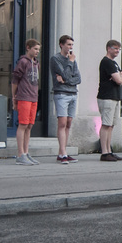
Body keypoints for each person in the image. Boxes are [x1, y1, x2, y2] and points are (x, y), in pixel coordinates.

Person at [50, 35, 81, 164]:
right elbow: (66, 74)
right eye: (68, 44)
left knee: (68, 123)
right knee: (62, 123)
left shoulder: (72, 60)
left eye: (72, 45)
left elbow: (78, 78)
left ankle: (62, 152)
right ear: (61, 45)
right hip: (61, 94)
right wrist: (71, 63)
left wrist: (66, 80)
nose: (70, 47)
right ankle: (63, 153)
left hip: (73, 93)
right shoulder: (56, 59)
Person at [97, 40, 122, 161]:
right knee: (106, 124)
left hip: (114, 96)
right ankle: (104, 152)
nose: (117, 51)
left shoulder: (114, 63)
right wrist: (120, 78)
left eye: (119, 49)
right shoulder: (106, 62)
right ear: (108, 48)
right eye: (115, 48)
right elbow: (119, 80)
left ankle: (109, 150)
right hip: (106, 97)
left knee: (111, 125)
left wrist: (120, 77)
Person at [12, 39, 41, 166]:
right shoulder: (23, 62)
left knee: (29, 125)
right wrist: (14, 97)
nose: (37, 52)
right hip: (24, 97)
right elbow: (15, 80)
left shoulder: (36, 63)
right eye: (35, 49)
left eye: (38, 50)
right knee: (23, 125)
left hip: (33, 97)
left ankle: (26, 152)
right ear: (28, 48)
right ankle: (20, 154)